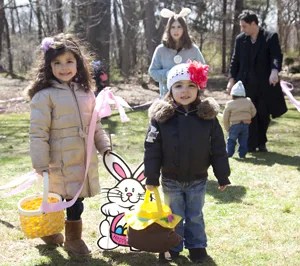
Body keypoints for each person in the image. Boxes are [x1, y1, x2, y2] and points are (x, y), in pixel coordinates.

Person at [27, 33, 111, 255]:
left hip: (82, 159)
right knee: (58, 199)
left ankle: (73, 238)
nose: (64, 67)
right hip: (58, 161)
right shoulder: (45, 97)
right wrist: (41, 163)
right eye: (57, 63)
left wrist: (104, 146)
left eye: (69, 61)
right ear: (49, 66)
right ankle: (50, 229)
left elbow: (96, 125)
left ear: (79, 63)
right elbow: (38, 133)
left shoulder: (87, 93)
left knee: (77, 201)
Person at [144, 61, 231, 263]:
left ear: (198, 88)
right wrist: (151, 176)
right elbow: (152, 149)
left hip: (198, 179)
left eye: (191, 85)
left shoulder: (207, 117)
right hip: (171, 179)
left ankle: (197, 246)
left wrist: (222, 174)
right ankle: (173, 246)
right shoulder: (162, 118)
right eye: (179, 86)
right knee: (173, 215)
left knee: (194, 215)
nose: (185, 91)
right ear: (170, 89)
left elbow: (218, 148)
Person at [227, 10, 287, 152]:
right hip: (245, 84)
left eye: (244, 26)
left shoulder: (270, 37)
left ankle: (261, 142)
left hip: (264, 85)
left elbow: (276, 56)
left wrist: (274, 71)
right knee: (246, 114)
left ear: (253, 24)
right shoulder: (240, 39)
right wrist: (231, 79)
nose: (242, 29)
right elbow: (235, 61)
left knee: (262, 113)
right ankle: (250, 144)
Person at [148, 7, 205, 98]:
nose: (176, 30)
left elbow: (203, 72)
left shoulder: (193, 49)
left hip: (189, 97)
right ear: (168, 29)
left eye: (179, 27)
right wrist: (168, 74)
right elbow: (152, 72)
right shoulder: (161, 50)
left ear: (184, 29)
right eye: (173, 27)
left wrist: (190, 75)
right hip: (167, 96)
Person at [223, 81, 257, 158]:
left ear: (233, 94)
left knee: (231, 139)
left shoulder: (230, 104)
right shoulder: (248, 101)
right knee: (243, 140)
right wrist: (248, 117)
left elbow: (225, 117)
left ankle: (229, 153)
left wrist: (227, 127)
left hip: (235, 125)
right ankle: (242, 154)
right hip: (246, 125)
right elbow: (254, 112)